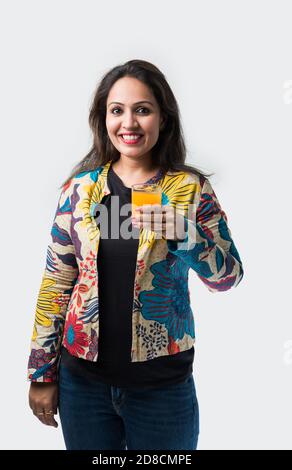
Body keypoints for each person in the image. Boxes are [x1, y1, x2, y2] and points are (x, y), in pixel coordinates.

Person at [27, 59, 244, 450]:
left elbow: (228, 277)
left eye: (142, 110)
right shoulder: (79, 190)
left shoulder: (190, 189)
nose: (129, 123)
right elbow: (56, 283)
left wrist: (183, 232)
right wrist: (42, 372)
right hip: (84, 386)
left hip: (162, 388)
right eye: (117, 111)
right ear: (103, 119)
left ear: (163, 118)